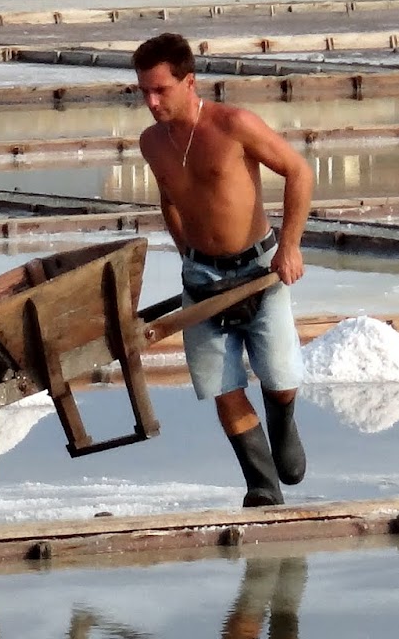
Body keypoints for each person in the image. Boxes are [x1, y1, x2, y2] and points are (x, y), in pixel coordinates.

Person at [134, 32, 314, 507]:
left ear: (189, 82)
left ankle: (284, 418)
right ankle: (261, 485)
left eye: (160, 90)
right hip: (201, 278)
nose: (151, 102)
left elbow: (298, 171)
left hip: (259, 267)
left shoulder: (234, 124)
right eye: (144, 92)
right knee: (222, 386)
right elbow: (169, 199)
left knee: (279, 377)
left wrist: (290, 247)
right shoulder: (151, 143)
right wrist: (186, 252)